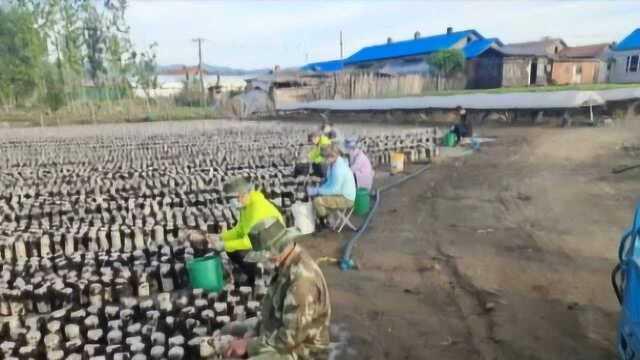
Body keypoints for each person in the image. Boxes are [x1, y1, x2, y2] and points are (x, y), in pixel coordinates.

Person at [222, 218, 331, 359]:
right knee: (229, 329)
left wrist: (249, 345)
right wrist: (255, 331)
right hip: (279, 333)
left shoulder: (302, 283)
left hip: (303, 350)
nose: (264, 261)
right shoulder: (286, 263)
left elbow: (290, 338)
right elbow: (271, 309)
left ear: (274, 251)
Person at [221, 177, 285, 285]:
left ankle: (263, 275)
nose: (233, 202)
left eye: (235, 198)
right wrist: (221, 237)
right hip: (260, 242)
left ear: (242, 195)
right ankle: (253, 273)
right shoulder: (246, 207)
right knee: (232, 250)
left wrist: (225, 245)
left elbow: (249, 241)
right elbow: (240, 231)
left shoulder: (257, 208)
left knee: (238, 250)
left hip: (273, 247)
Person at [307, 145, 356, 225]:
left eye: (324, 158)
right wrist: (320, 187)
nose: (323, 160)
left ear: (331, 156)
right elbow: (330, 182)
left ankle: (325, 221)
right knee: (318, 196)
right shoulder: (333, 164)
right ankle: (325, 219)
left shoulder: (338, 169)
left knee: (317, 201)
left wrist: (318, 190)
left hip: (346, 198)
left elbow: (335, 189)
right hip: (341, 193)